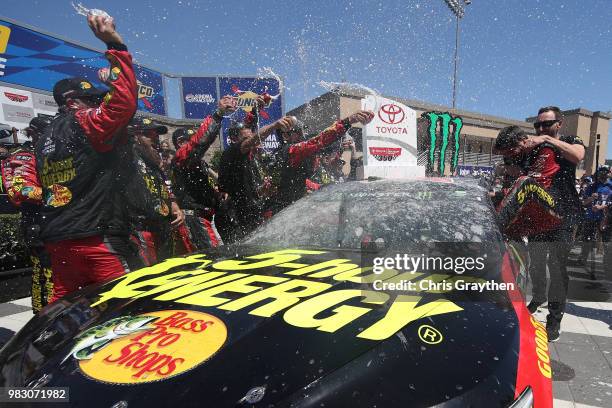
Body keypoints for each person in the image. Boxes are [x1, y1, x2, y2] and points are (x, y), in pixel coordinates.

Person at [34, 15, 138, 302]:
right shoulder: (82, 122)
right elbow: (123, 105)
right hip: (97, 239)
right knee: (128, 310)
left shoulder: (43, 138)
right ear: (70, 103)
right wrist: (116, 45)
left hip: (59, 242)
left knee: (66, 317)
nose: (95, 105)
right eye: (91, 100)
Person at [218, 105, 295, 242]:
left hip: (249, 215)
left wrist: (262, 190)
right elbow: (253, 141)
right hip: (233, 218)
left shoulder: (251, 159)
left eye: (251, 137)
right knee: (239, 257)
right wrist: (274, 125)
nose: (253, 142)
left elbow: (245, 192)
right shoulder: (230, 154)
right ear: (234, 140)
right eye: (246, 139)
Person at [1, 116, 53, 312]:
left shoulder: (50, 154)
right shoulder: (24, 157)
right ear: (35, 135)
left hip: (54, 222)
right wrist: (61, 194)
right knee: (45, 272)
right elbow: (22, 191)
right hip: (37, 223)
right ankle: (44, 316)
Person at [171, 95, 236, 252]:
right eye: (191, 138)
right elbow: (201, 142)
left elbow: (198, 187)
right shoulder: (181, 157)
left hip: (204, 218)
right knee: (213, 265)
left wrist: (217, 195)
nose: (196, 140)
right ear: (181, 142)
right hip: (194, 220)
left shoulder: (197, 163)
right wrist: (218, 115)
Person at [275, 110, 374, 210]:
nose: (303, 135)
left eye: (303, 131)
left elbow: (299, 182)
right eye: (298, 132)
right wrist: (349, 121)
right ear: (285, 136)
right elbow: (319, 141)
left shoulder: (287, 154)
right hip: (285, 213)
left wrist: (322, 188)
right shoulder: (291, 151)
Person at [125, 117, 185, 265]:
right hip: (140, 230)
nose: (155, 139)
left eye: (156, 135)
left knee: (170, 273)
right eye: (148, 134)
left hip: (164, 227)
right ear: (135, 136)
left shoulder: (155, 160)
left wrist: (175, 205)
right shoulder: (126, 155)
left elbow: (166, 185)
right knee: (148, 277)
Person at [579, 166, 612, 273]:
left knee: (607, 243)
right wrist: (591, 198)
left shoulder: (611, 187)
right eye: (601, 172)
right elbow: (583, 202)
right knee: (586, 240)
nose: (604, 174)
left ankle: (607, 266)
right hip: (591, 217)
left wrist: (602, 207)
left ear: (609, 173)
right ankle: (583, 260)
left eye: (606, 172)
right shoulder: (592, 186)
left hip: (606, 218)